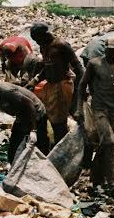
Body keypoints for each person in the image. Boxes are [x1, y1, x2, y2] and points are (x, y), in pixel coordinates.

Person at [74, 35, 114, 197]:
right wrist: (79, 107)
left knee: (104, 145)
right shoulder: (95, 64)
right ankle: (113, 180)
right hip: (99, 108)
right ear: (108, 51)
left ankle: (95, 178)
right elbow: (82, 86)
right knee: (110, 142)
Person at [28, 22, 84, 150]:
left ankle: (63, 148)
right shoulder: (44, 46)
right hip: (50, 86)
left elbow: (79, 68)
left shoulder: (61, 45)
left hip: (62, 85)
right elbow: (47, 67)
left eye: (38, 39)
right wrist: (35, 80)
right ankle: (57, 145)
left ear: (45, 34)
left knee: (59, 123)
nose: (37, 43)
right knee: (49, 118)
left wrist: (78, 93)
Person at [0, 78, 48, 161]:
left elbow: (29, 104)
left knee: (40, 147)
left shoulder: (5, 91)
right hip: (21, 115)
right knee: (12, 150)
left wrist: (33, 130)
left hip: (35, 112)